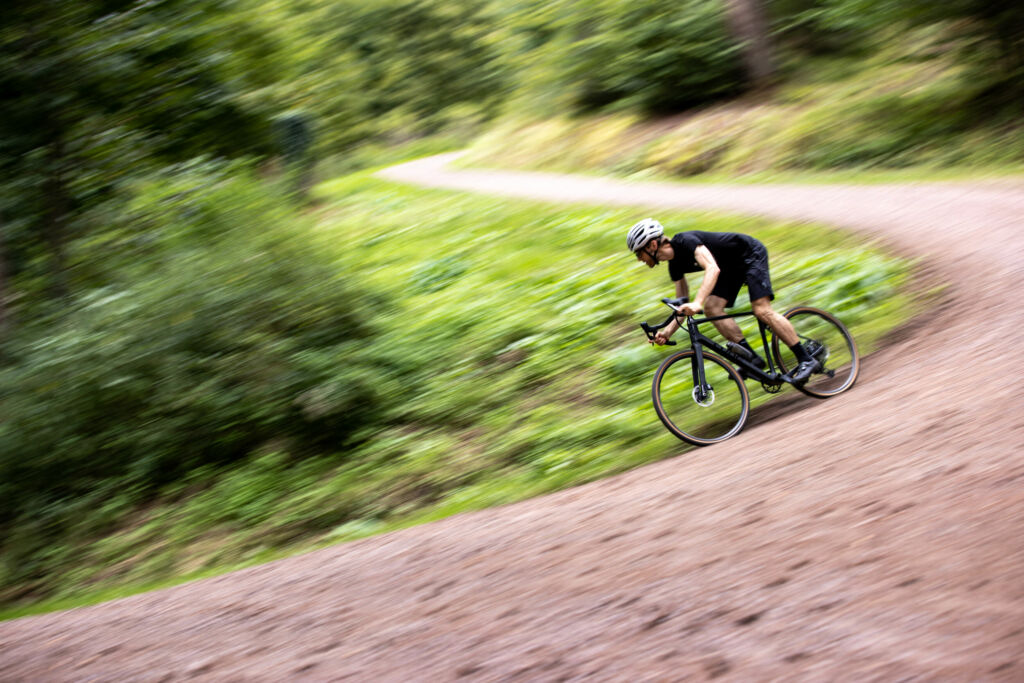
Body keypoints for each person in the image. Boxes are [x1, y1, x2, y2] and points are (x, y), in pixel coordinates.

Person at [626, 217, 821, 385]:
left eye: (639, 253)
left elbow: (712, 268)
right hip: (731, 268)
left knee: (761, 310)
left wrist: (698, 302)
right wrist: (667, 332)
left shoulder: (685, 241)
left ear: (652, 245)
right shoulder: (674, 266)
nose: (639, 259)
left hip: (750, 256)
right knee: (713, 308)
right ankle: (751, 358)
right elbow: (681, 305)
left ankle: (805, 359)